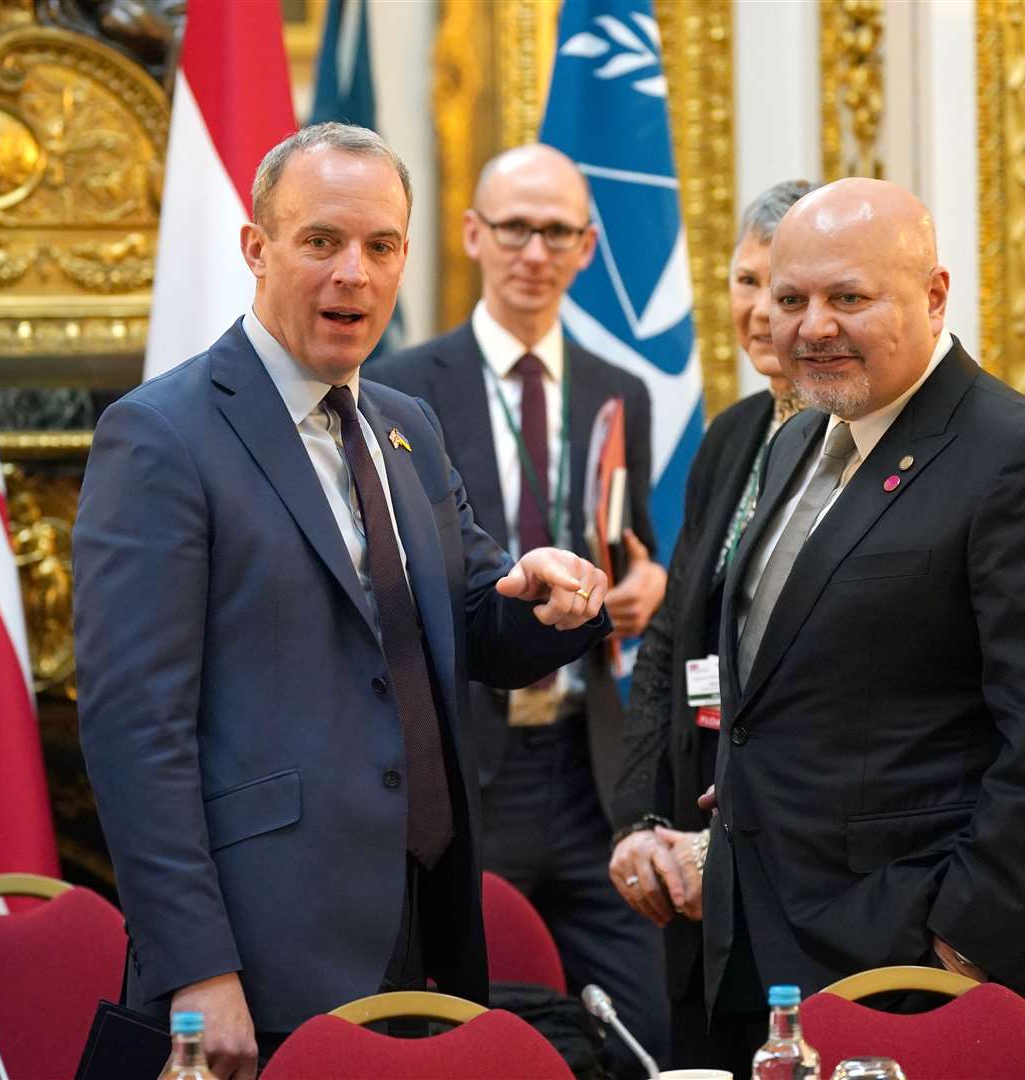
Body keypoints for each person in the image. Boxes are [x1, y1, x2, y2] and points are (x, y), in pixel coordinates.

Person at [73, 123, 612, 1080]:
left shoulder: (405, 425)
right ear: (256, 248)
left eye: (381, 245)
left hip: (425, 919)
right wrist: (199, 967)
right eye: (321, 241)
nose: (353, 275)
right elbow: (132, 729)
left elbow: (471, 615)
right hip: (264, 947)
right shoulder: (160, 436)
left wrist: (546, 598)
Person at [700, 178, 1025, 1070]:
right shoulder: (794, 440)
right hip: (767, 942)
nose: (812, 326)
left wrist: (960, 949)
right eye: (791, 300)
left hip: (916, 959)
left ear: (934, 296)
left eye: (848, 298)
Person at [370, 143, 671, 1074]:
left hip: (592, 768)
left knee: (639, 1032)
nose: (534, 252)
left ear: (586, 247)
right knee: (476, 1034)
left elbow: (634, 537)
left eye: (557, 233)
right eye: (514, 229)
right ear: (472, 236)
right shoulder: (398, 388)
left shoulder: (622, 389)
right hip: (470, 760)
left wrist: (648, 580)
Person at [607, 179, 814, 1069]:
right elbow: (669, 642)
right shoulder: (731, 438)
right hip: (694, 882)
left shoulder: (866, 444)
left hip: (798, 878)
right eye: (744, 281)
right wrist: (641, 822)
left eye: (788, 288)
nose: (762, 311)